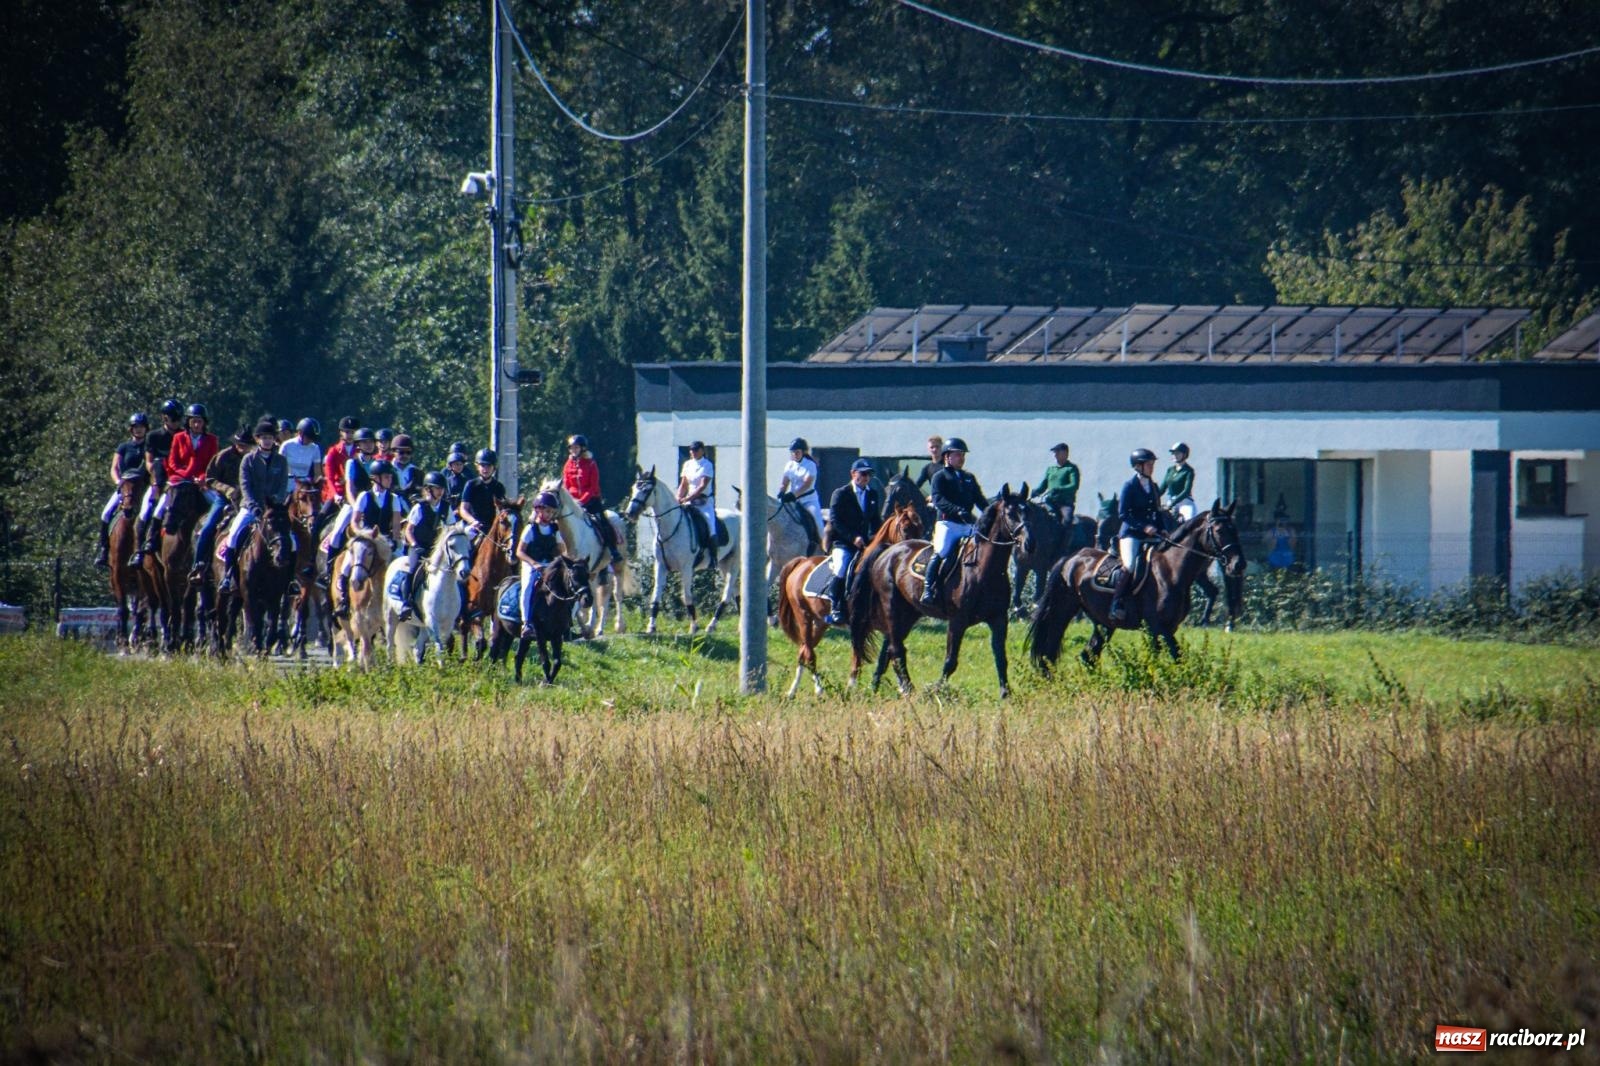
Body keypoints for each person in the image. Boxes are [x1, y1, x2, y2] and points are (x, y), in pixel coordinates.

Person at [133, 403, 218, 566]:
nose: (197, 425)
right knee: (160, 507)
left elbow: (211, 464)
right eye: (194, 421)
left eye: (200, 421)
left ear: (204, 423)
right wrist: (186, 476)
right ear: (189, 422)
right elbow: (172, 462)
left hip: (200, 482)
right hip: (178, 480)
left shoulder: (212, 440)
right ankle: (150, 539)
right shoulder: (179, 438)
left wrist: (201, 478)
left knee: (218, 504)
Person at [218, 421, 291, 595]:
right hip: (251, 507)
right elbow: (245, 485)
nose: (267, 441)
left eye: (270, 438)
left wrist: (276, 502)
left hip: (273, 509)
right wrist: (253, 505)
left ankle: (291, 580)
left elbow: (283, 485)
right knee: (234, 535)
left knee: (292, 541)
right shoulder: (248, 460)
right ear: (257, 439)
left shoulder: (281, 461)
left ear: (275, 440)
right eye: (264, 438)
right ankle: (228, 575)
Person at [331, 460, 405, 617]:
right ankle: (343, 596)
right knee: (348, 561)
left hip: (384, 539)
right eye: (386, 477)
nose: (390, 480)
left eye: (390, 477)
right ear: (376, 478)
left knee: (401, 563)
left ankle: (402, 600)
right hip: (365, 537)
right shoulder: (364, 496)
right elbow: (355, 522)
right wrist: (363, 534)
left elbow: (397, 527)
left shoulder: (394, 499)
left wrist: (395, 542)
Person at [921, 438, 985, 605]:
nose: (961, 458)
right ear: (947, 456)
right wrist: (956, 510)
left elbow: (980, 500)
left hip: (967, 524)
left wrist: (992, 511)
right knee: (941, 551)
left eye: (963, 455)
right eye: (958, 455)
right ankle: (928, 588)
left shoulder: (969, 477)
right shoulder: (939, 476)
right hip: (947, 523)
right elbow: (938, 499)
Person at [822, 458, 881, 624]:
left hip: (865, 543)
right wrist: (852, 537)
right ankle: (835, 606)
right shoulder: (841, 493)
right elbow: (835, 521)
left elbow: (876, 520)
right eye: (863, 474)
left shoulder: (872, 494)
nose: (866, 478)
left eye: (868, 474)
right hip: (844, 543)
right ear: (853, 474)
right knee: (841, 567)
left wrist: (877, 538)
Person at [191, 427, 252, 579]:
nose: (243, 448)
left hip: (248, 500)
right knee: (208, 527)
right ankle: (198, 565)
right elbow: (210, 478)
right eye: (241, 445)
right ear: (235, 443)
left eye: (246, 445)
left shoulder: (253, 459)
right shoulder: (223, 456)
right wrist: (227, 489)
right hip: (224, 498)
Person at [1112, 448, 1163, 621]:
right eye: (1149, 464)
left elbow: (1157, 511)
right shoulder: (1129, 486)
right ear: (1138, 466)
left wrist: (1162, 529)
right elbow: (1123, 514)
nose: (1152, 467)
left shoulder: (1154, 487)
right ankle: (1117, 602)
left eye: (1152, 464)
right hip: (1131, 534)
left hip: (1150, 534)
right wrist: (1143, 527)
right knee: (1130, 565)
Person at [395, 471, 453, 621]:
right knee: (412, 571)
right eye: (437, 488)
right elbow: (408, 529)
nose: (440, 492)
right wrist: (414, 544)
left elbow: (451, 528)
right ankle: (407, 603)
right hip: (419, 547)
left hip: (437, 550)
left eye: (441, 489)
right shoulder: (419, 508)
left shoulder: (446, 508)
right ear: (428, 489)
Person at [95, 413, 149, 568]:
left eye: (141, 427)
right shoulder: (123, 447)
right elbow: (114, 468)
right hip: (125, 487)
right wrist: (119, 482)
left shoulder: (148, 446)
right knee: (105, 513)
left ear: (146, 429)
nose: (139, 430)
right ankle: (104, 550)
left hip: (143, 487)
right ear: (131, 430)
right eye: (136, 427)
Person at [132, 399, 184, 559]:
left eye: (178, 419)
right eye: (172, 418)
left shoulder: (183, 436)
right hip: (158, 480)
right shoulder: (153, 436)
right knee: (146, 511)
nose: (176, 422)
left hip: (179, 480)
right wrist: (156, 474)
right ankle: (140, 550)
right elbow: (149, 461)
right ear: (164, 418)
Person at [516, 491, 570, 637]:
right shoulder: (530, 529)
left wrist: (564, 563)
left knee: (570, 585)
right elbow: (519, 552)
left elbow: (562, 549)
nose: (549, 515)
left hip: (550, 565)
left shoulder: (554, 529)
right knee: (528, 587)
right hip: (532, 564)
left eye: (552, 512)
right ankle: (526, 622)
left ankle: (567, 622)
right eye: (547, 511)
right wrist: (534, 563)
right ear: (538, 510)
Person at [563, 434, 622, 565]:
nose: (573, 451)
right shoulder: (568, 465)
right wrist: (571, 501)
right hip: (573, 501)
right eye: (571, 448)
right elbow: (566, 485)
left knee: (602, 521)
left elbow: (593, 487)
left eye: (576, 448)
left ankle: (613, 550)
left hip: (590, 500)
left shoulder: (591, 464)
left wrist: (582, 501)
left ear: (582, 449)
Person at [776, 437, 824, 552]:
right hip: (793, 501)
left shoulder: (810, 465)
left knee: (818, 523)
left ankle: (824, 547)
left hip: (808, 500)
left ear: (803, 452)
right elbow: (784, 482)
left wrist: (793, 495)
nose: (795, 454)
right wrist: (781, 492)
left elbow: (807, 484)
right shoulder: (789, 465)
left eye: (797, 452)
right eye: (793, 452)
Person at [675, 441, 717, 550]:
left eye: (696, 450)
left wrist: (688, 498)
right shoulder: (687, 464)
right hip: (689, 501)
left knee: (710, 526)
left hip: (704, 502)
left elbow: (702, 485)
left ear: (702, 451)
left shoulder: (707, 465)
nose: (693, 452)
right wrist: (678, 497)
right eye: (691, 450)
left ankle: (713, 556)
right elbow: (684, 484)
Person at [458, 448, 507, 537]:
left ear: (494, 467)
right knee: (466, 539)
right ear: (477, 466)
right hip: (473, 526)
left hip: (492, 526)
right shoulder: (471, 485)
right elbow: (463, 509)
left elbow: (503, 509)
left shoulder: (498, 486)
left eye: (489, 466)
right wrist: (473, 521)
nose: (485, 469)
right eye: (483, 465)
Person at [1037, 442, 1081, 525]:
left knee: (1067, 520)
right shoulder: (1051, 469)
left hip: (1064, 504)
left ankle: (1067, 538)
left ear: (1065, 453)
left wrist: (1059, 489)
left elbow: (1074, 485)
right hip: (1050, 502)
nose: (1055, 454)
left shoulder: (1071, 468)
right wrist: (1036, 491)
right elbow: (1044, 485)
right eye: (1055, 452)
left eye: (1058, 452)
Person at [282, 418, 322, 489]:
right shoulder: (286, 446)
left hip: (305, 487)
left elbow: (317, 473)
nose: (311, 440)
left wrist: (315, 484)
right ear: (300, 433)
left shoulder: (315, 448)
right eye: (309, 437)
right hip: (286, 485)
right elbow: (279, 468)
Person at [1161, 442, 1197, 522]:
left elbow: (1186, 491)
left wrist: (1172, 503)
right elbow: (1162, 488)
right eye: (1173, 453)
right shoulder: (1170, 470)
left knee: (1189, 522)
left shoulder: (1189, 471)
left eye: (1177, 453)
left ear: (1184, 455)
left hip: (1185, 503)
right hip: (1170, 501)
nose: (1174, 455)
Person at [390, 434, 421, 501]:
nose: (405, 455)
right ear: (393, 452)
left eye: (408, 452)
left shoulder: (418, 473)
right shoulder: (387, 470)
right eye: (401, 452)